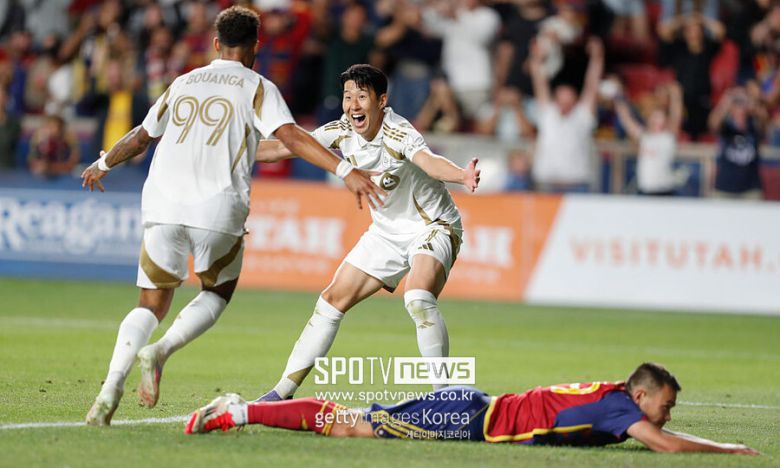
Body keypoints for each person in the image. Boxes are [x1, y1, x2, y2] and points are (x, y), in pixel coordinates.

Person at [80, 6, 383, 427]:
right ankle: (161, 351)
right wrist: (345, 170)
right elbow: (290, 136)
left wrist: (102, 164)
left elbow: (141, 137)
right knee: (217, 292)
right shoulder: (257, 86)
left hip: (162, 204)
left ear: (215, 43)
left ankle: (110, 387)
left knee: (150, 303)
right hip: (216, 206)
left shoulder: (182, 82)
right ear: (256, 46)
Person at [254, 64, 480, 402]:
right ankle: (280, 393)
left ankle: (443, 398)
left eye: (361, 96)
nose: (353, 105)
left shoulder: (398, 132)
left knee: (418, 298)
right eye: (348, 97)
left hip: (434, 225)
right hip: (386, 234)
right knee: (331, 301)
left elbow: (429, 161)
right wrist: (229, 148)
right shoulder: (341, 130)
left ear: (381, 101)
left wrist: (462, 175)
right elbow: (280, 148)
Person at [184, 362, 759, 455]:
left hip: (473, 410)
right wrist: (728, 449)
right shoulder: (618, 410)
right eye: (665, 405)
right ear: (640, 397)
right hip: (466, 418)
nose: (667, 414)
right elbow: (665, 445)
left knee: (352, 423)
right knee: (350, 428)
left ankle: (247, 409)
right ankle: (244, 410)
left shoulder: (613, 397)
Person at [529, 36, 604, 193]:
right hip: (546, 184)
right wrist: (537, 58)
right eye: (561, 100)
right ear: (555, 100)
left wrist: (597, 59)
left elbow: (592, 85)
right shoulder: (548, 114)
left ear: (575, 101)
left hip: (577, 184)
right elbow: (539, 81)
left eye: (568, 101)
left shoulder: (582, 116)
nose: (564, 105)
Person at [614, 82, 684, 196]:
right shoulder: (645, 137)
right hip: (645, 190)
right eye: (653, 117)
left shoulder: (668, 137)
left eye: (659, 117)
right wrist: (618, 98)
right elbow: (627, 120)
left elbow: (676, 116)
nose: (656, 120)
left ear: (665, 120)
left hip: (664, 190)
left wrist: (676, 96)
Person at [708, 86, 767, 199]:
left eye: (742, 103)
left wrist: (751, 102)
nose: (740, 108)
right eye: (737, 103)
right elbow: (713, 123)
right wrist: (727, 100)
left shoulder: (754, 126)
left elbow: (764, 119)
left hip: (751, 190)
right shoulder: (726, 127)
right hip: (724, 189)